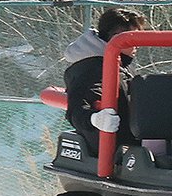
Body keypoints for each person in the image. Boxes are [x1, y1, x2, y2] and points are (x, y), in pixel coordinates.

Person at [61, 8, 147, 157]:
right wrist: (95, 119)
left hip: (131, 145)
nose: (138, 45)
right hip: (116, 152)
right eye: (134, 39)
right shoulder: (92, 68)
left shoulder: (120, 64)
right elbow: (77, 109)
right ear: (116, 37)